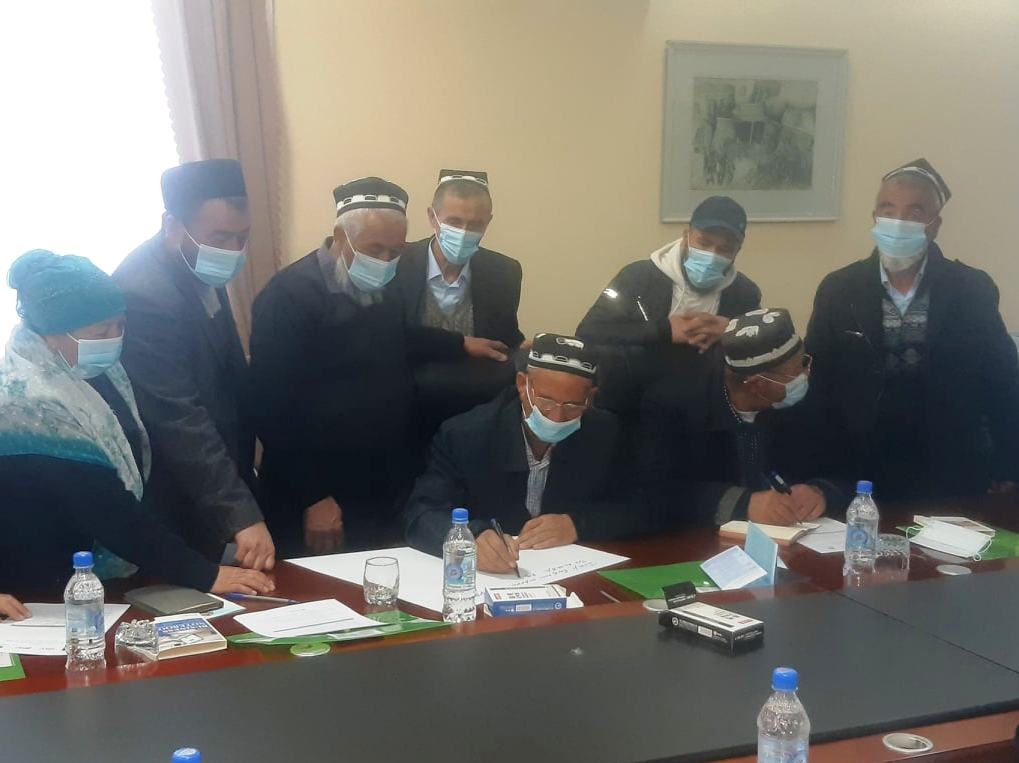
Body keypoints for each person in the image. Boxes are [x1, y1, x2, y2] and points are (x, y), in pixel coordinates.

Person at [248, 177, 507, 555]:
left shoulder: (381, 283)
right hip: (316, 495)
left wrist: (460, 343)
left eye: (395, 251)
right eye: (375, 249)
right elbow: (270, 409)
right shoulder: (288, 297)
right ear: (341, 236)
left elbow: (397, 337)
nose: (385, 261)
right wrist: (314, 497)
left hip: (377, 482)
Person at [0, 250, 272, 595]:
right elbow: (106, 508)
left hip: (107, 569)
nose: (114, 338)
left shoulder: (95, 369)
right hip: (43, 584)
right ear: (52, 334)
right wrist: (203, 574)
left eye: (120, 326)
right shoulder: (29, 400)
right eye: (101, 331)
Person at [806, 159, 1019, 501]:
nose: (898, 222)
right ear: (874, 216)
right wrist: (811, 471)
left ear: (935, 225)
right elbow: (816, 381)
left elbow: (1003, 380)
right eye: (888, 209)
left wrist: (1009, 465)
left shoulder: (972, 289)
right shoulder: (839, 288)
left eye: (914, 211)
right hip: (856, 469)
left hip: (951, 468)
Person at [114, 160, 275, 570]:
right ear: (172, 226)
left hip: (213, 483)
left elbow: (230, 375)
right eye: (221, 238)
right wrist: (239, 513)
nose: (234, 250)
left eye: (242, 237)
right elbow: (177, 417)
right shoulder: (145, 293)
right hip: (172, 492)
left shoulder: (196, 264)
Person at [405, 333, 646, 573]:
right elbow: (421, 514)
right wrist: (470, 537)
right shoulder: (466, 434)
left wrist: (578, 524)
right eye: (546, 402)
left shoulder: (606, 434)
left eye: (572, 406)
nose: (557, 417)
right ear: (523, 385)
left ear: (590, 398)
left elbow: (643, 506)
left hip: (570, 573)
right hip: (491, 576)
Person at [640, 308, 842, 528]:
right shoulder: (675, 406)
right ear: (757, 384)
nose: (806, 375)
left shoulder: (804, 402)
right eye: (796, 371)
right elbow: (658, 492)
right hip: (702, 538)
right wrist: (744, 504)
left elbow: (844, 465)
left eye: (805, 362)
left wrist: (820, 491)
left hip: (795, 534)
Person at [577, 196, 761, 411]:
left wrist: (733, 331)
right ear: (686, 236)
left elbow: (761, 357)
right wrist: (663, 330)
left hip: (707, 412)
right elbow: (590, 332)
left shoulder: (744, 293)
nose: (712, 255)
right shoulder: (637, 277)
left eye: (725, 249)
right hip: (631, 407)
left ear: (737, 251)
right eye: (704, 242)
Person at [392, 169, 523, 434]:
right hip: (405, 400)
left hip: (473, 408)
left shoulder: (504, 272)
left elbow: (502, 338)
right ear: (432, 217)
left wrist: (524, 347)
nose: (464, 233)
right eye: (454, 221)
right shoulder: (396, 264)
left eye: (475, 224)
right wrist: (459, 344)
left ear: (488, 222)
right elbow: (388, 336)